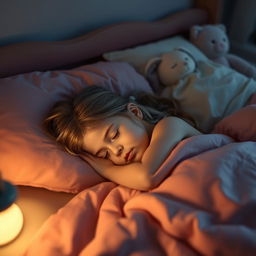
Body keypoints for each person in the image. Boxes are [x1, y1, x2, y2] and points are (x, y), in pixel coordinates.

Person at [44, 85, 201, 191]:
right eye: (104, 155)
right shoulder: (130, 171)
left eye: (114, 135)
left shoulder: (169, 126)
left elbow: (147, 178)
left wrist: (106, 167)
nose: (116, 151)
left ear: (134, 112)